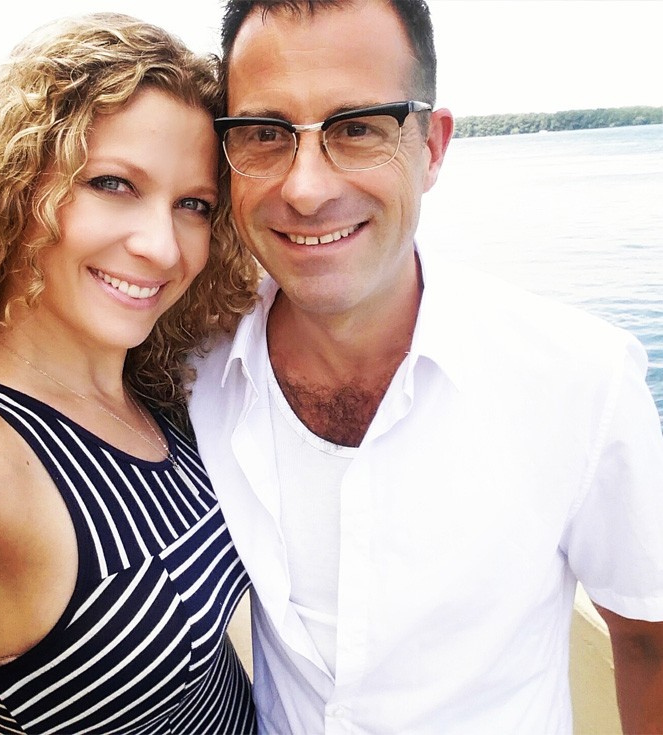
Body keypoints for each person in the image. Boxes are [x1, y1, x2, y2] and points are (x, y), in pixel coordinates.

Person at [187, 1, 663, 733]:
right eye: (263, 134)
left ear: (432, 147)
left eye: (356, 129)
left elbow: (646, 638)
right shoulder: (191, 363)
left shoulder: (579, 380)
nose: (306, 189)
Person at [0, 13, 260, 735]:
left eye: (193, 205)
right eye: (113, 183)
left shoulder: (150, 383)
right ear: (16, 187)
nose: (161, 245)